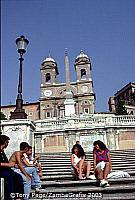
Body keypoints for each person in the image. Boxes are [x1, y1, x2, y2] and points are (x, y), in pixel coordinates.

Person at [0, 135, 24, 200]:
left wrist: (13, 165)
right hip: (1, 171)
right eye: (7, 142)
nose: (8, 144)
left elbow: (7, 163)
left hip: (6, 170)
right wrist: (8, 165)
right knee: (9, 177)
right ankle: (9, 197)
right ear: (4, 142)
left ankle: (19, 197)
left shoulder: (2, 151)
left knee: (18, 177)